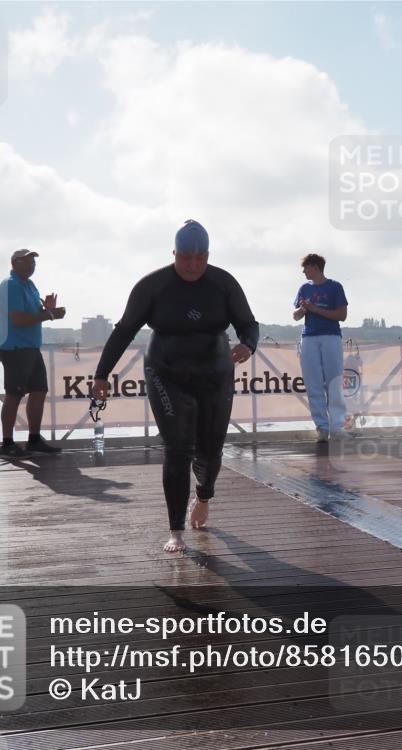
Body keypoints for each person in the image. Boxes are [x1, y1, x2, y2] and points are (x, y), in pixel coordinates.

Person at [91, 220, 258, 552]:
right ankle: (175, 530)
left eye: (199, 259)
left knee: (210, 451)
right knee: (177, 448)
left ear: (207, 256)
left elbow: (249, 324)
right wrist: (101, 375)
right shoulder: (152, 286)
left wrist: (249, 345)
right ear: (174, 254)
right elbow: (124, 331)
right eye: (186, 258)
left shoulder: (223, 283)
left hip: (215, 372)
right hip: (166, 372)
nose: (193, 266)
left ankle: (204, 495)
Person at [0, 249, 66, 459]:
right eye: (26, 262)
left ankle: (33, 439)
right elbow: (18, 319)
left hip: (31, 347)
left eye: (33, 262)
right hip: (15, 348)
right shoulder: (11, 285)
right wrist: (50, 315)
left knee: (39, 390)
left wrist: (48, 310)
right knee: (14, 395)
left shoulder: (30, 285)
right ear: (14, 263)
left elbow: (35, 314)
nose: (31, 266)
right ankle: (7, 444)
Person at [292, 253, 348, 442]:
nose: (303, 271)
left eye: (306, 268)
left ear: (315, 267)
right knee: (313, 382)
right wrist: (304, 309)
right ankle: (322, 427)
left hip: (331, 336)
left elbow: (342, 315)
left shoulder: (335, 286)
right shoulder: (304, 288)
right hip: (309, 337)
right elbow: (296, 316)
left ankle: (337, 426)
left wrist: (316, 309)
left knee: (334, 381)